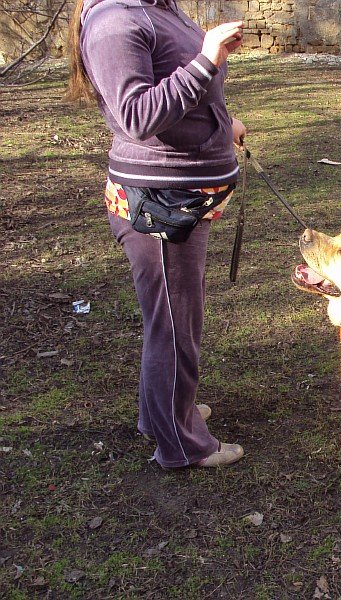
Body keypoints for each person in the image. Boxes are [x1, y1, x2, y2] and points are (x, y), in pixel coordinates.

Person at [66, 0, 246, 468]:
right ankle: (181, 444)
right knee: (173, 325)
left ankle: (165, 413)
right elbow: (138, 117)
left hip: (186, 196)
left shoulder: (159, 8)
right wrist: (206, 59)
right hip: (159, 205)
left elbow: (186, 96)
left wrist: (223, 125)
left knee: (175, 319)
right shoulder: (115, 22)